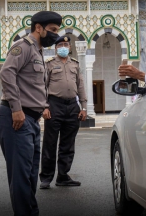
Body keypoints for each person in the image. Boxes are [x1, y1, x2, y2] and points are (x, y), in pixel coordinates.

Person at [0, 11, 62, 216]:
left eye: (57, 31)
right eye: (52, 30)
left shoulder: (39, 51)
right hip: (16, 118)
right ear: (38, 28)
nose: (55, 36)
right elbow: (6, 73)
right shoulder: (23, 46)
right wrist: (16, 109)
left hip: (31, 120)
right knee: (21, 176)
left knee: (31, 174)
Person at [39, 35, 87, 189]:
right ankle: (46, 178)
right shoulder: (49, 64)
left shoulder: (75, 64)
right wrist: (44, 107)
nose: (63, 47)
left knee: (68, 143)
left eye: (66, 44)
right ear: (55, 48)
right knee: (50, 143)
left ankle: (63, 176)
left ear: (70, 47)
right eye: (60, 45)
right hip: (54, 106)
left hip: (73, 106)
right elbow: (42, 86)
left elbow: (80, 86)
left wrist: (84, 107)